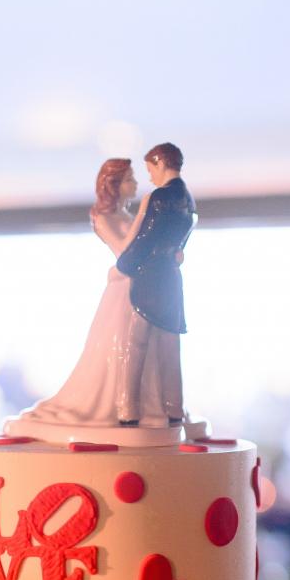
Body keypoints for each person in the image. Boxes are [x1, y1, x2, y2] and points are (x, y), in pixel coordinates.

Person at [21, 158, 171, 427]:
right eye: (128, 179)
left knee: (145, 349)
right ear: (113, 185)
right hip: (123, 291)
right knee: (119, 347)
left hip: (143, 286)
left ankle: (146, 406)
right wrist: (143, 218)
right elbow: (124, 252)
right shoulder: (103, 218)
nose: (135, 183)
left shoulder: (127, 216)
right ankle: (121, 406)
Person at [116, 142, 196, 426]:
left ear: (160, 163)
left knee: (135, 343)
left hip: (150, 276)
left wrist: (125, 264)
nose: (149, 176)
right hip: (171, 278)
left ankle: (128, 409)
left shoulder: (159, 197)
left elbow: (145, 237)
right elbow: (184, 237)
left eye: (150, 169)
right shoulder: (188, 198)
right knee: (170, 344)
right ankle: (175, 408)